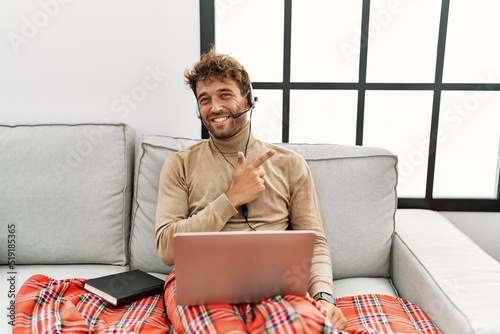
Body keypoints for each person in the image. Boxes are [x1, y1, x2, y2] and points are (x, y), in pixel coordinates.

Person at [155, 48, 347, 333]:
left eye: (224, 94)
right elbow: (167, 249)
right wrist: (231, 199)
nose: (215, 107)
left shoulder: (290, 164)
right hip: (200, 283)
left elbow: (315, 242)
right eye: (204, 99)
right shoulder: (179, 165)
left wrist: (323, 296)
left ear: (247, 99)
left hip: (275, 284)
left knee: (309, 327)